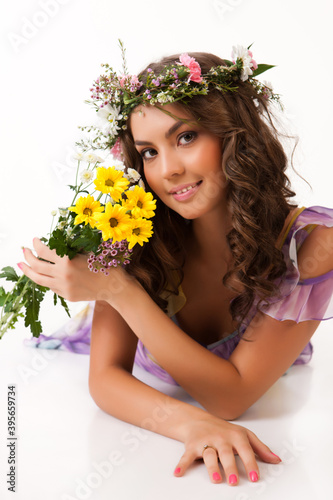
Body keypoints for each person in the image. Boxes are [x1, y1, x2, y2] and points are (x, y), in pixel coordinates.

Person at [18, 45, 333, 487]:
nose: (167, 170)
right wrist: (191, 425)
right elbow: (106, 377)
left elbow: (232, 396)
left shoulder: (311, 245)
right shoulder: (128, 231)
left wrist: (117, 290)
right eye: (148, 152)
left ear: (233, 133)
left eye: (186, 137)